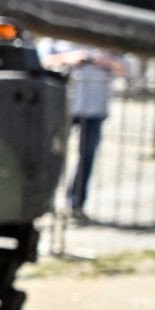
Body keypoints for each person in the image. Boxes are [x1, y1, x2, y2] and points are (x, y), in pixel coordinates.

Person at [53, 46, 128, 220]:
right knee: (53, 154)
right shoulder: (61, 37)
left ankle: (76, 203)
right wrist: (68, 57)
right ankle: (45, 201)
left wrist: (106, 62)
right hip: (64, 107)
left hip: (94, 110)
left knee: (87, 156)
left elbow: (125, 70)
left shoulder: (107, 42)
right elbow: (44, 59)